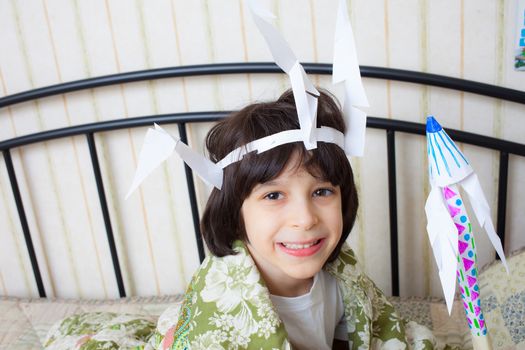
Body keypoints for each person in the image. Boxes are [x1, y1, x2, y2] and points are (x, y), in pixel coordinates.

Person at [149, 89, 436, 350]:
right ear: (234, 213)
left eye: (322, 191)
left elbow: (371, 331)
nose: (305, 219)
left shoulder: (341, 276)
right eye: (273, 196)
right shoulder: (220, 312)